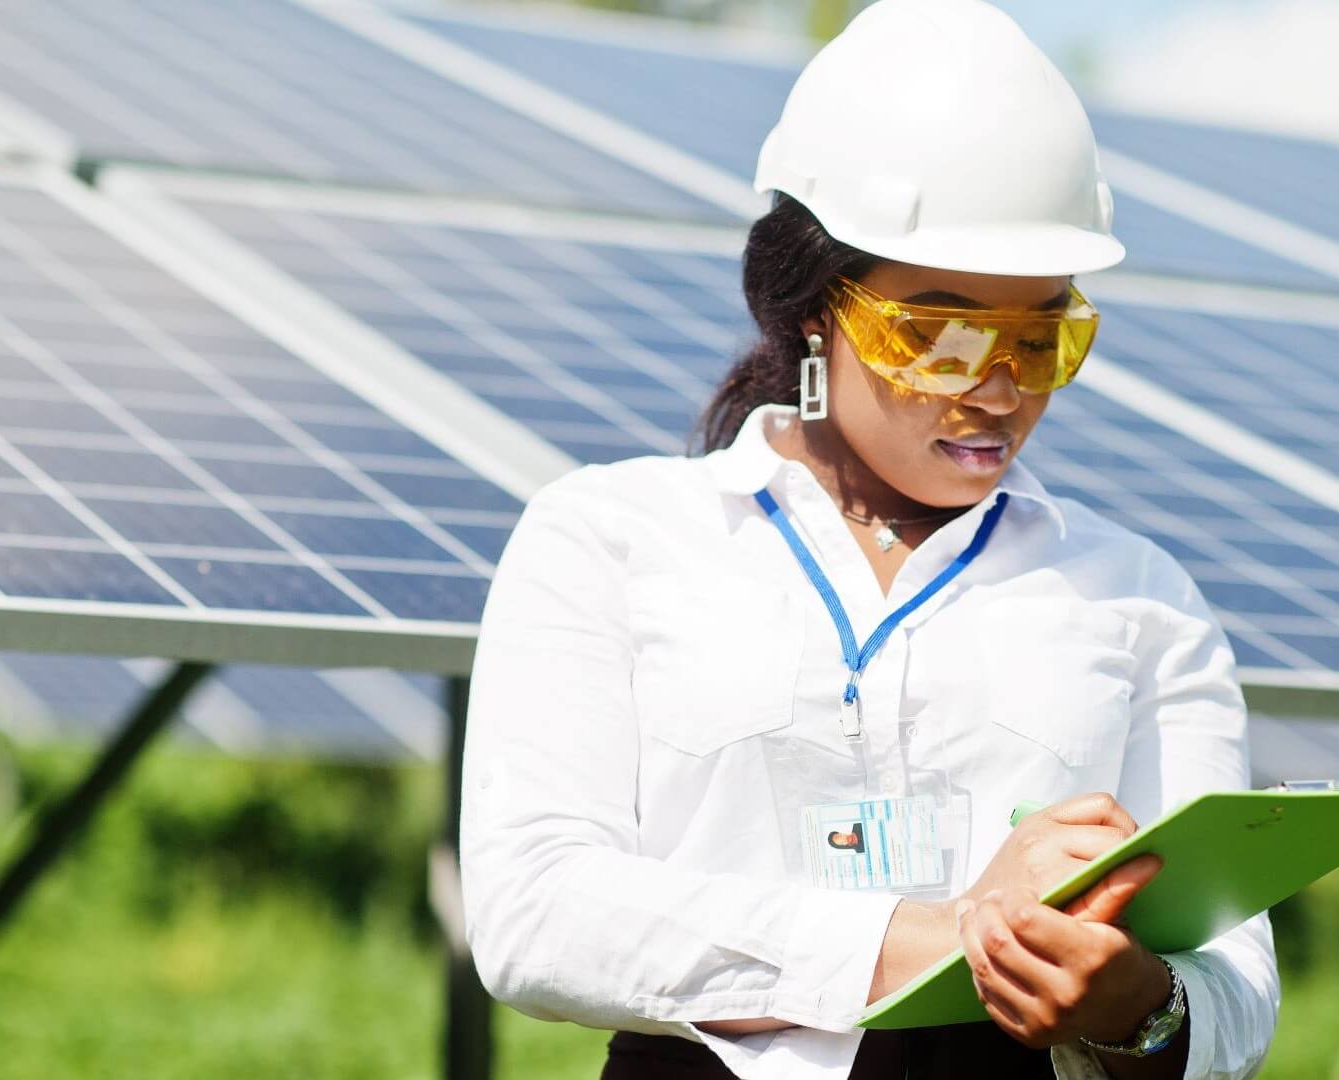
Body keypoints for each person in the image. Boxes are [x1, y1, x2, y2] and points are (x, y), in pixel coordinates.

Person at [457, 0, 1280, 1076]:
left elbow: (1233, 995)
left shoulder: (1136, 598)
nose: (996, 390)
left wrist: (1139, 1006)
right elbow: (538, 914)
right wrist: (956, 938)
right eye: (937, 336)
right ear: (810, 308)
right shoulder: (613, 537)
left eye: (1042, 339)